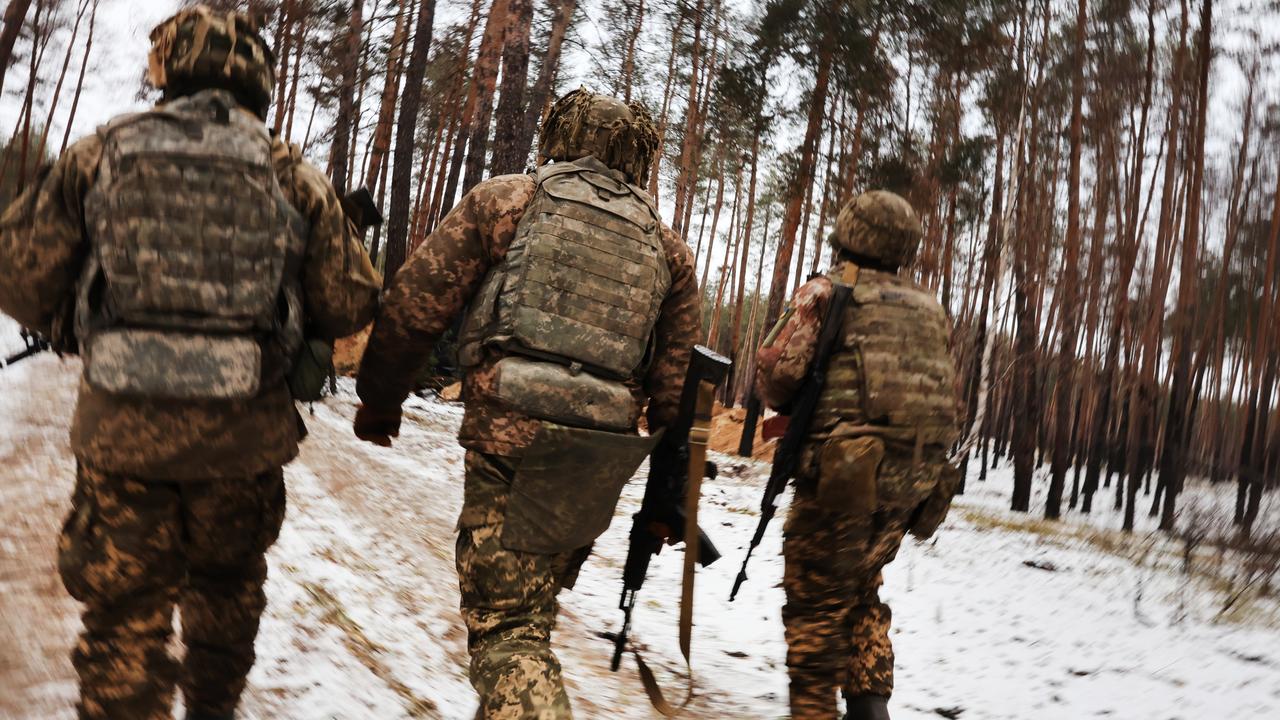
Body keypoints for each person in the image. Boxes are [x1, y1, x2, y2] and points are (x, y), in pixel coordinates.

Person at [0, 7, 381, 719]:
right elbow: (351, 300)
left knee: (122, 618)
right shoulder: (287, 170)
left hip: (122, 435)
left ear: (168, 69)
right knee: (225, 597)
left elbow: (18, 275)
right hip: (242, 443)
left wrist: (67, 319)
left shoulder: (102, 151)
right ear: (257, 80)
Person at [353, 88, 700, 719]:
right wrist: (662, 488)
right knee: (527, 618)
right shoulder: (669, 252)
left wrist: (380, 400)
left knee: (509, 631)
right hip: (596, 459)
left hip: (509, 436)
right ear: (640, 155)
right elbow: (675, 395)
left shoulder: (506, 200)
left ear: (560, 134)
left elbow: (413, 306)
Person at [755, 190, 962, 720]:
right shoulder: (928, 306)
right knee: (862, 590)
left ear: (848, 231)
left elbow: (779, 380)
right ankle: (870, 710)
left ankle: (814, 710)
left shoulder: (828, 293)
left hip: (845, 480)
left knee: (815, 612)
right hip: (911, 484)